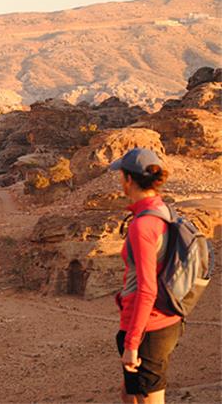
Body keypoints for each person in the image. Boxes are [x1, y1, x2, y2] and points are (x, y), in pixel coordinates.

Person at [109, 148, 183, 404]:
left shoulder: (143, 225)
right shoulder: (161, 210)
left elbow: (146, 288)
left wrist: (132, 343)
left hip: (147, 328)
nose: (121, 182)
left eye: (121, 176)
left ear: (129, 180)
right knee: (128, 394)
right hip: (162, 320)